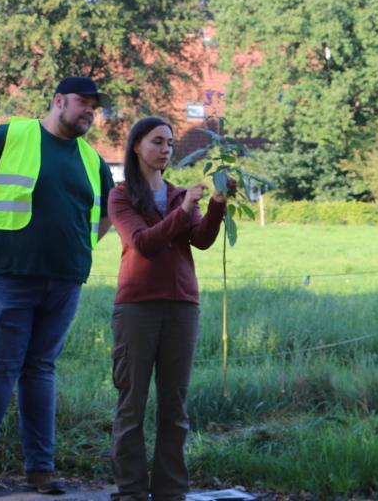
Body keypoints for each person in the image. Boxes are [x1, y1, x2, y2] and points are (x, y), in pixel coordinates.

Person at [0, 76, 115, 496]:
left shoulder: (91, 159)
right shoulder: (14, 134)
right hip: (9, 276)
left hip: (63, 281)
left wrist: (82, 245)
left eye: (94, 106)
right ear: (59, 100)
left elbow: (108, 212)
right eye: (82, 102)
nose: (89, 112)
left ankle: (40, 470)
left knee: (41, 370)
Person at [108, 117, 230, 501]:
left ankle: (170, 491)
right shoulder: (121, 195)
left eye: (170, 143)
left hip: (182, 308)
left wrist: (214, 207)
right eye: (158, 141)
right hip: (137, 308)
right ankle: (130, 491)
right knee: (132, 404)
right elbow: (143, 243)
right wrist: (183, 211)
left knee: (174, 406)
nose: (166, 149)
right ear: (136, 146)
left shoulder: (179, 195)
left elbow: (200, 240)